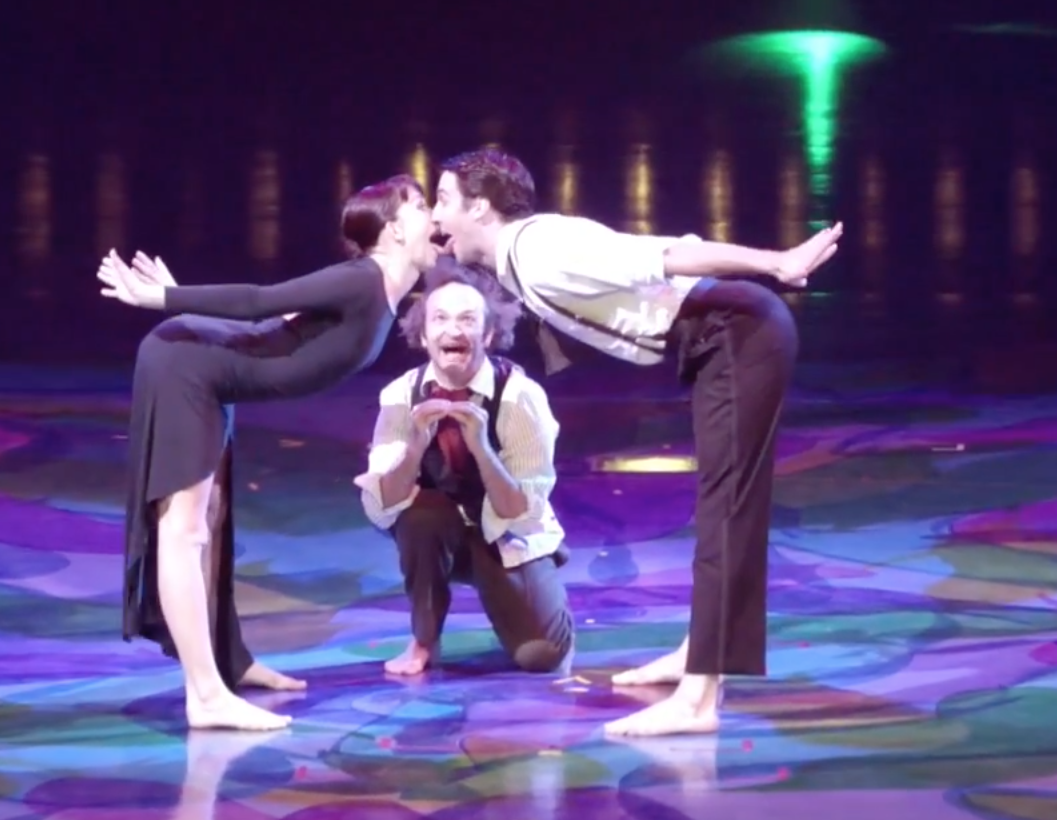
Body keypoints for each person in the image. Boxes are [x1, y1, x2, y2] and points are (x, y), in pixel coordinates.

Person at [430, 148, 843, 737]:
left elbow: (666, 254)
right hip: (722, 336)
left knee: (727, 510)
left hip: (737, 331)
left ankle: (699, 698)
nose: (437, 216)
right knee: (720, 508)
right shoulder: (516, 256)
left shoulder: (540, 248)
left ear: (480, 207)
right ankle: (699, 651)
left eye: (444, 201)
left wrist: (776, 262)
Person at [95, 174, 439, 731]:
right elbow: (261, 301)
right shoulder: (363, 279)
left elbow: (274, 332)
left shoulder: (384, 291)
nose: (434, 217)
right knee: (185, 530)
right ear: (395, 229)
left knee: (212, 521)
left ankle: (229, 662)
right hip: (188, 370)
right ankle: (205, 696)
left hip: (212, 373)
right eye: (422, 206)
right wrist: (165, 299)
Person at [354, 258, 574, 677]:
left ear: (488, 334)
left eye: (467, 320)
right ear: (423, 335)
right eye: (440, 319)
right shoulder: (400, 395)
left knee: (542, 656)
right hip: (439, 535)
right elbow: (383, 502)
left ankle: (525, 594)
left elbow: (518, 510)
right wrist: (415, 445)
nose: (453, 330)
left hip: (507, 535)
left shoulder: (520, 397)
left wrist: (482, 448)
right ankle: (424, 638)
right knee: (420, 516)